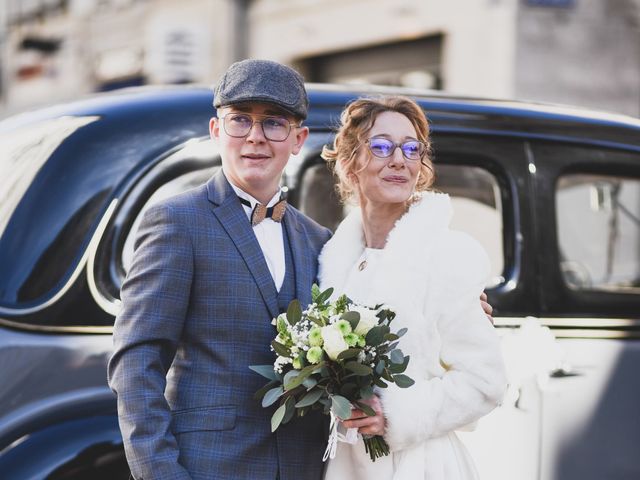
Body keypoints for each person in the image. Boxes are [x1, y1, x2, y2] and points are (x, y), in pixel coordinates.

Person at [107, 59, 332, 480]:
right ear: (216, 131)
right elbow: (136, 361)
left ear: (298, 138)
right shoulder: (176, 220)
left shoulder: (317, 239)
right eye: (239, 120)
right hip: (208, 466)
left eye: (274, 123)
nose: (255, 137)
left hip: (305, 466)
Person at [318, 96, 508, 479]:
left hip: (418, 466)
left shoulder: (449, 254)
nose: (399, 160)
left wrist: (395, 414)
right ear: (351, 163)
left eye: (411, 148)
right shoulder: (335, 259)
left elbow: (485, 382)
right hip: (345, 466)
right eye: (382, 146)